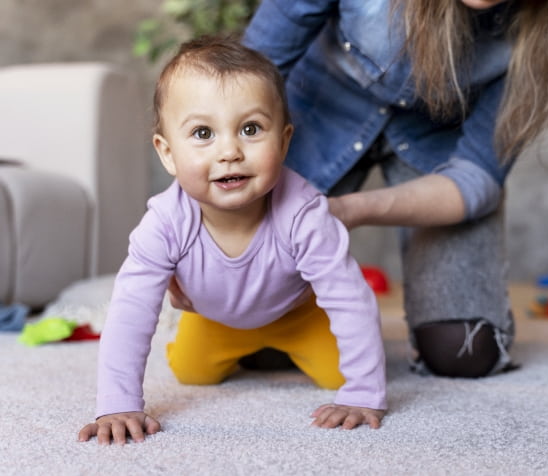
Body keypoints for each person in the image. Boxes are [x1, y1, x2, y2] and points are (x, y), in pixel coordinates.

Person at [223, 0, 548, 377]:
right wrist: (187, 235)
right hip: (314, 111)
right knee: (257, 342)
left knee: (464, 349)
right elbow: (242, 83)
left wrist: (349, 210)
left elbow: (477, 175)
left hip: (438, 147)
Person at [78, 35, 387, 445]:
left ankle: (279, 347)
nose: (230, 151)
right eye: (203, 133)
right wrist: (117, 402)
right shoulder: (165, 223)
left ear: (284, 140)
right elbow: (131, 309)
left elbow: (349, 297)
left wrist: (364, 390)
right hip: (216, 320)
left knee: (338, 374)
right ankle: (253, 350)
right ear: (167, 153)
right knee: (191, 371)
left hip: (298, 316)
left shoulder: (304, 214)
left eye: (251, 129)